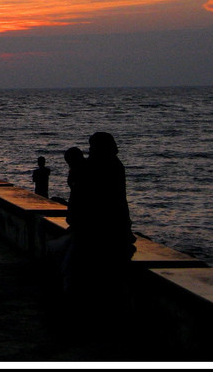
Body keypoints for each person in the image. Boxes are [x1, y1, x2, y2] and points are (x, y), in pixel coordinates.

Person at [64, 132, 136, 322]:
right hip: (108, 228)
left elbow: (87, 197)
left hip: (101, 229)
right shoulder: (111, 165)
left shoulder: (99, 167)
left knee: (99, 275)